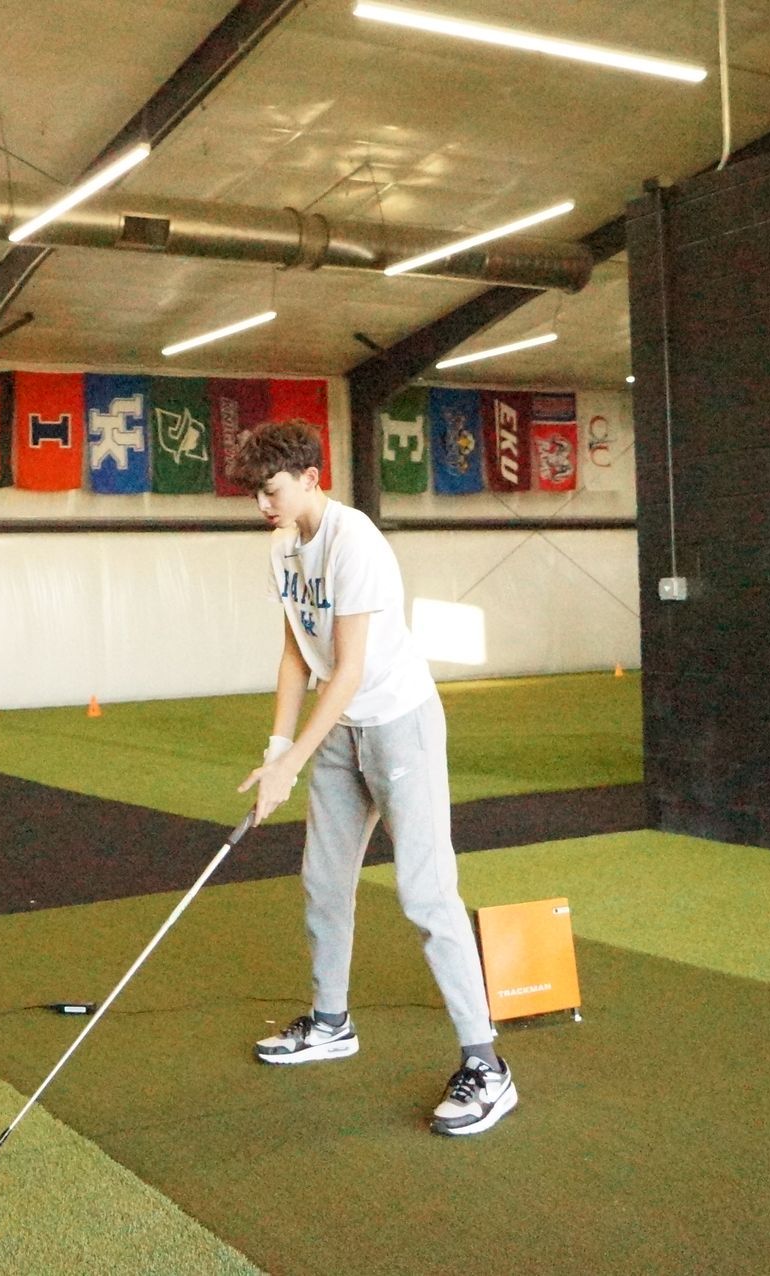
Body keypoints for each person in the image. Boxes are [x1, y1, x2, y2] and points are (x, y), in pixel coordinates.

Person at [231, 420, 516, 1137]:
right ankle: (331, 1023)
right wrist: (276, 748)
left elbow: (352, 667)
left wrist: (293, 761)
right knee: (324, 883)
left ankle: (487, 1064)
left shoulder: (355, 543)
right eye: (257, 495)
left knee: (426, 891)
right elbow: (298, 653)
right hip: (339, 734)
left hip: (398, 726)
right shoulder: (280, 547)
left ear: (309, 477)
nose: (264, 505)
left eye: (272, 490)